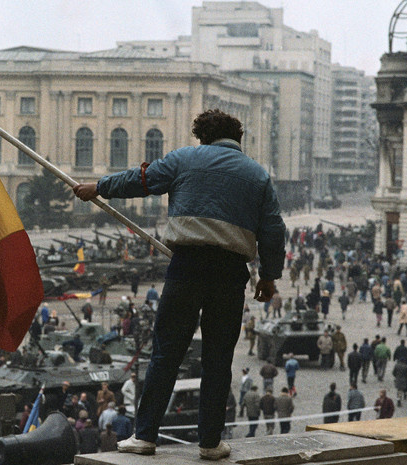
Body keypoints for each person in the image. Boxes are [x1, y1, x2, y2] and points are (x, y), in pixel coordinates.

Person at [73, 109, 285, 460]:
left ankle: (144, 436)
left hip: (186, 268)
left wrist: (98, 187)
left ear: (202, 137)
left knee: (166, 353)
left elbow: (140, 180)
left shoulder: (185, 159)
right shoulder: (258, 175)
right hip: (231, 274)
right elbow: (274, 230)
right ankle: (210, 444)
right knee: (218, 359)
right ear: (238, 138)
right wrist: (268, 277)